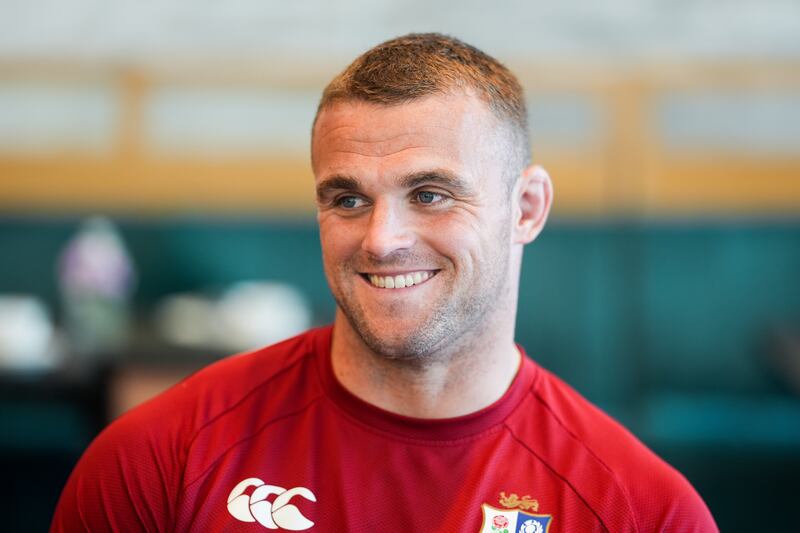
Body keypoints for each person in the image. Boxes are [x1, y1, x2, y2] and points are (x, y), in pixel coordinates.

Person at [51, 33, 717, 532]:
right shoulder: (158, 459)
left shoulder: (642, 510)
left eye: (429, 194)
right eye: (347, 199)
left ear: (526, 208)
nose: (381, 239)